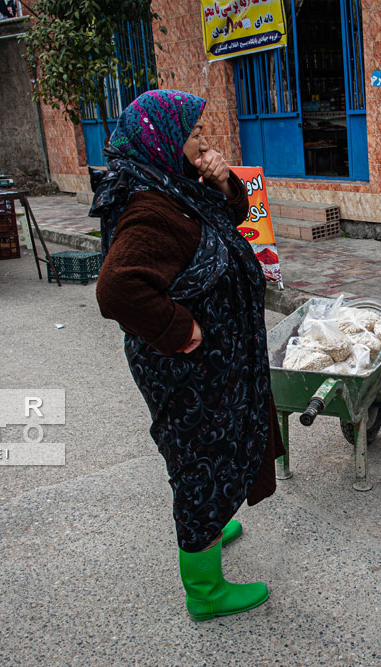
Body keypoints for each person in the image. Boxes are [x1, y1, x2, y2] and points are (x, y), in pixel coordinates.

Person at [92, 89, 282, 620]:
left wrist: (224, 182)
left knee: (206, 449)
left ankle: (212, 520)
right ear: (166, 142)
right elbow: (116, 289)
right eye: (195, 134)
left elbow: (229, 222)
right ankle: (205, 590)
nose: (205, 142)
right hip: (188, 366)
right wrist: (181, 329)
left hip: (209, 365)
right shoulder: (150, 207)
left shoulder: (174, 187)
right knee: (200, 457)